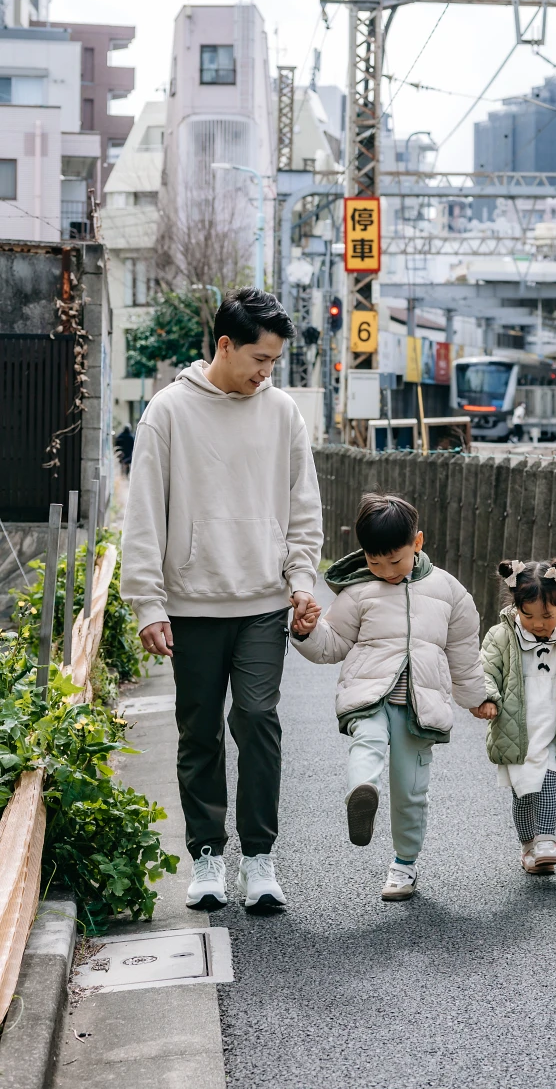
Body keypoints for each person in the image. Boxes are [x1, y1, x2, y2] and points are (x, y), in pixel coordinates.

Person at [121, 287, 323, 914]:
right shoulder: (168, 411)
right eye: (260, 359)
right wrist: (147, 603)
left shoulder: (283, 412)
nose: (267, 372)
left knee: (258, 721)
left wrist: (302, 581)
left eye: (275, 361)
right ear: (226, 345)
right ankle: (208, 855)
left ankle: (260, 858)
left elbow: (303, 507)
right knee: (199, 731)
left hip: (263, 601)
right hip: (191, 604)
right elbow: (143, 514)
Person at [290, 492, 487, 902]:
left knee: (411, 790)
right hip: (370, 696)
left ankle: (404, 864)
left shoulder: (450, 592)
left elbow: (464, 652)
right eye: (374, 562)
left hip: (419, 708)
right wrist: (307, 632)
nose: (385, 571)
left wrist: (476, 698)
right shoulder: (360, 591)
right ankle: (362, 791)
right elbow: (333, 644)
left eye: (394, 561)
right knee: (368, 740)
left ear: (417, 542)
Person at [479, 558, 556, 874]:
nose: (539, 624)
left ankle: (546, 842)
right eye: (528, 615)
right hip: (516, 729)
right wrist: (487, 697)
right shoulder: (501, 636)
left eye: (547, 615)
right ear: (516, 606)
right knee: (523, 795)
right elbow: (486, 670)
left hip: (554, 725)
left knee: (546, 780)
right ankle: (528, 846)